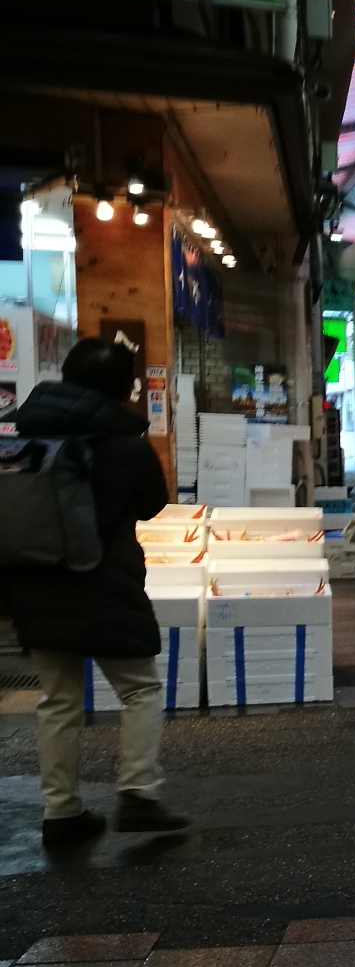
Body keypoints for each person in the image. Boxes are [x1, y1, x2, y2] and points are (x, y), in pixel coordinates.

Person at [1, 338, 188, 844]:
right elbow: (152, 502)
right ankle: (138, 794)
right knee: (140, 689)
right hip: (104, 580)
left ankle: (61, 813)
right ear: (122, 386)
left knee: (58, 700)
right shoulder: (123, 440)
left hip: (34, 580)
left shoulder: (24, 433)